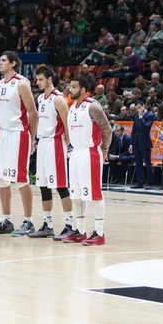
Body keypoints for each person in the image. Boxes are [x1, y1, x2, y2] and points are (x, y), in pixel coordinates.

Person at [0, 51, 39, 236]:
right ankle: (7, 219)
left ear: (13, 63)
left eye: (3, 60)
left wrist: (32, 138)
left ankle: (29, 221)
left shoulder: (22, 83)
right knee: (1, 179)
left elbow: (33, 113)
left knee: (20, 179)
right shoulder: (0, 84)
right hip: (3, 134)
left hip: (19, 134)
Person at [64, 76, 112, 246]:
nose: (71, 90)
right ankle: (80, 231)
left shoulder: (93, 106)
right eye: (70, 86)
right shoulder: (72, 108)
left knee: (95, 194)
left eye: (74, 87)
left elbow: (108, 130)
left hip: (90, 152)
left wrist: (104, 149)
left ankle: (99, 233)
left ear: (83, 89)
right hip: (75, 153)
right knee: (76, 195)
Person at [29, 66, 74, 239]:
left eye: (40, 79)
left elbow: (67, 123)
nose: (38, 82)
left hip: (56, 144)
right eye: (37, 80)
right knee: (43, 185)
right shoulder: (41, 98)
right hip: (43, 143)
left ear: (49, 79)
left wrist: (70, 145)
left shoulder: (58, 99)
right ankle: (47, 224)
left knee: (61, 185)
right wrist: (35, 140)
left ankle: (69, 224)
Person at [130, 101, 155, 189]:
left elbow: (146, 128)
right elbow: (134, 130)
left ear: (144, 106)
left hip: (145, 143)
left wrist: (141, 117)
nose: (139, 109)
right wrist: (131, 144)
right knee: (138, 163)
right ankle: (139, 182)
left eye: (140, 107)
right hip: (137, 143)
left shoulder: (150, 116)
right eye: (137, 107)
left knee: (148, 163)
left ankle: (149, 183)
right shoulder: (136, 116)